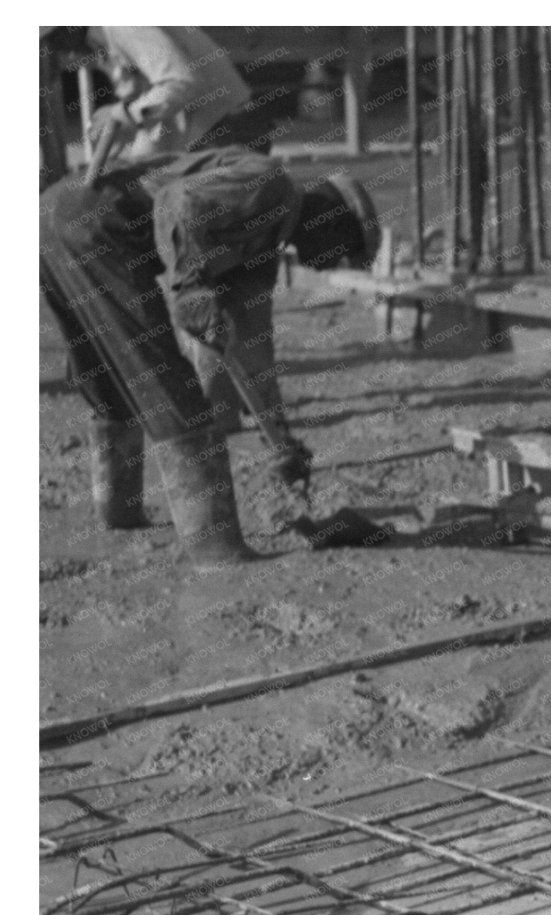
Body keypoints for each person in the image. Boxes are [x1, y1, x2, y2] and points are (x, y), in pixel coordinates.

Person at [40, 147, 381, 562]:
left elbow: (252, 351)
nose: (330, 266)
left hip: (55, 218)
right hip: (93, 221)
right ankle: (217, 551)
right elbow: (179, 202)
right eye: (343, 252)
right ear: (334, 219)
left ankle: (120, 513)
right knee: (171, 391)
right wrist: (191, 285)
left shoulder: (262, 241)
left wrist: (281, 442)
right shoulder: (272, 185)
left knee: (108, 374)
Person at [44, 27, 267, 160]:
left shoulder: (125, 25)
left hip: (225, 134)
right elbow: (157, 102)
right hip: (210, 134)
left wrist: (121, 116)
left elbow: (183, 83)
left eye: (54, 44)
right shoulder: (102, 41)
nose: (62, 56)